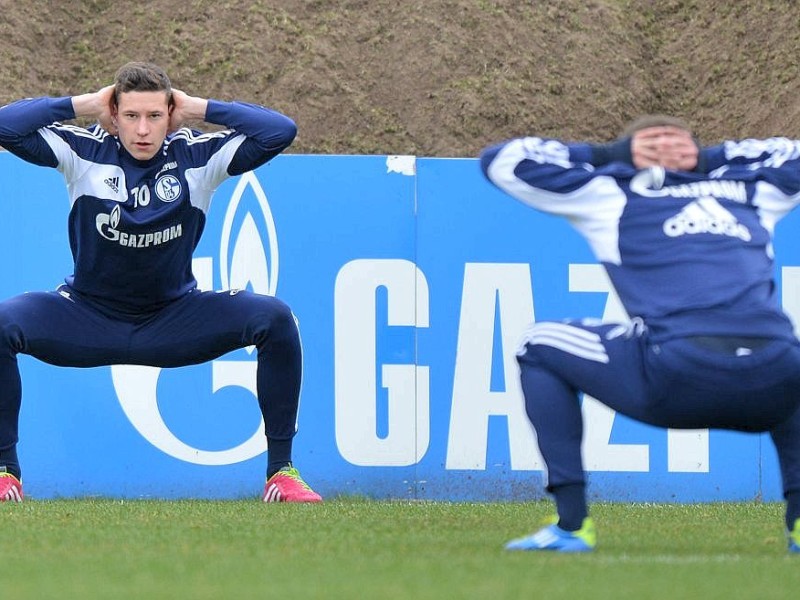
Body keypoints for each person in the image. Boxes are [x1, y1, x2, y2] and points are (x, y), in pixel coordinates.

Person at [0, 61, 322, 503]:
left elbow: (279, 131)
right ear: (114, 116)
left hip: (174, 319)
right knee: (3, 323)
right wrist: (82, 103)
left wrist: (199, 108)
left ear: (170, 114)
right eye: (131, 116)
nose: (143, 130)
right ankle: (5, 473)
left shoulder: (195, 157)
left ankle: (282, 474)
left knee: (275, 318)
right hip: (87, 315)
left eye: (155, 115)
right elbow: (5, 126)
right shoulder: (85, 152)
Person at [479, 116, 800, 553]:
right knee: (787, 363)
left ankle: (572, 526)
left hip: (678, 372)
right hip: (772, 377)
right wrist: (689, 156)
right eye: (656, 141)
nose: (667, 146)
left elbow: (503, 161)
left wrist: (613, 154)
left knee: (538, 343)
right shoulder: (753, 191)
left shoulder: (612, 194)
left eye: (677, 141)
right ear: (638, 151)